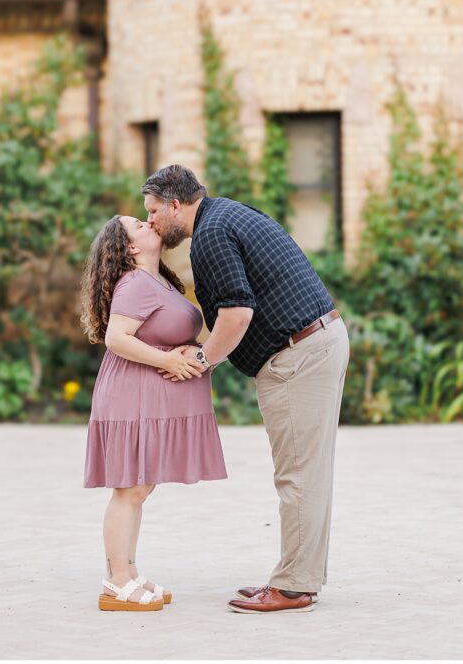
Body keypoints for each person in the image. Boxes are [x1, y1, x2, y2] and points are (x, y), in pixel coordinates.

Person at [143, 164, 350, 615]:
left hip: (298, 355)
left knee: (298, 476)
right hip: (314, 343)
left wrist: (200, 361)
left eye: (155, 211)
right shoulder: (228, 216)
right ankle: (298, 578)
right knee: (307, 473)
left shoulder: (212, 235)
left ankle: (294, 586)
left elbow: (237, 314)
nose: (152, 221)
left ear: (176, 204)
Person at [80, 213, 227, 612]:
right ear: (129, 248)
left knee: (139, 488)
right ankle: (116, 582)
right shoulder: (135, 283)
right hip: (132, 396)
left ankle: (128, 572)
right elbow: (117, 339)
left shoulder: (158, 280)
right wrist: (174, 362)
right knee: (129, 489)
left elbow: (162, 331)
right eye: (139, 226)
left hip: (146, 396)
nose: (150, 223)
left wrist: (187, 350)